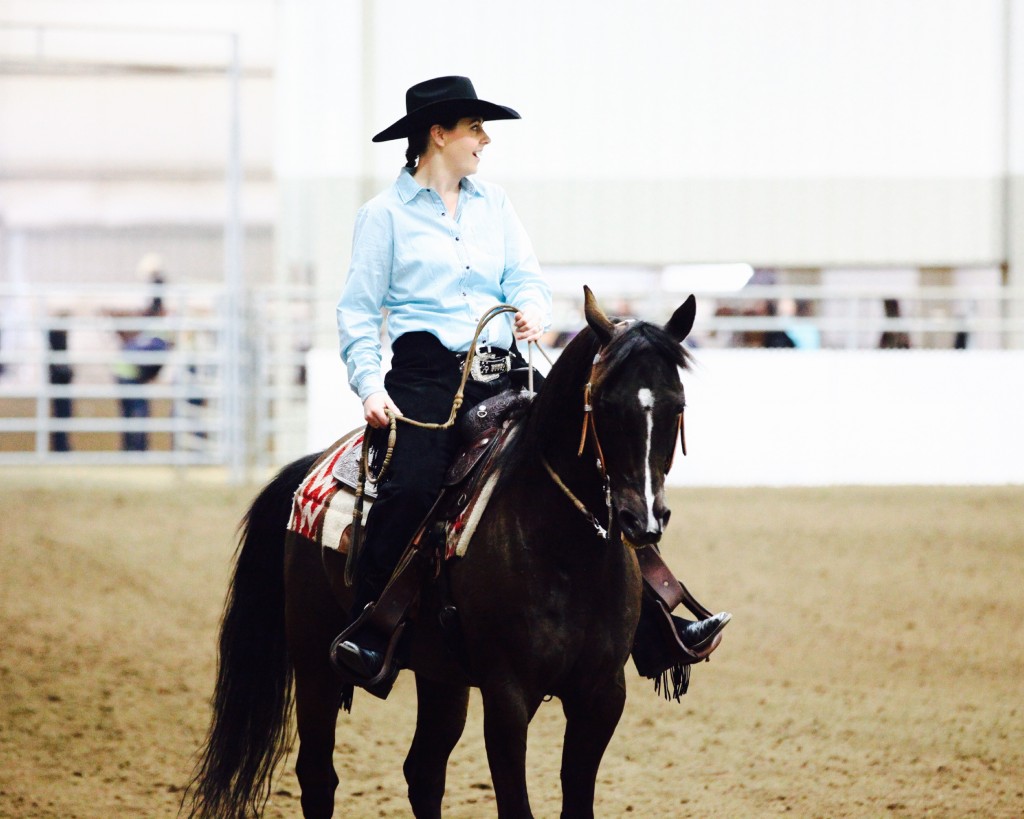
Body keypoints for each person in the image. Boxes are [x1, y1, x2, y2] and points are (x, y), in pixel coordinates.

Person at [332, 76, 727, 686]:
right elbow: (358, 310)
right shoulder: (382, 217)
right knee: (411, 485)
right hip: (427, 378)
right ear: (438, 135)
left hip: (504, 369)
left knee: (592, 468)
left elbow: (527, 278)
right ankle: (372, 628)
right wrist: (368, 386)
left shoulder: (495, 204)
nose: (484, 141)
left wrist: (533, 309)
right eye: (475, 130)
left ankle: (654, 621)